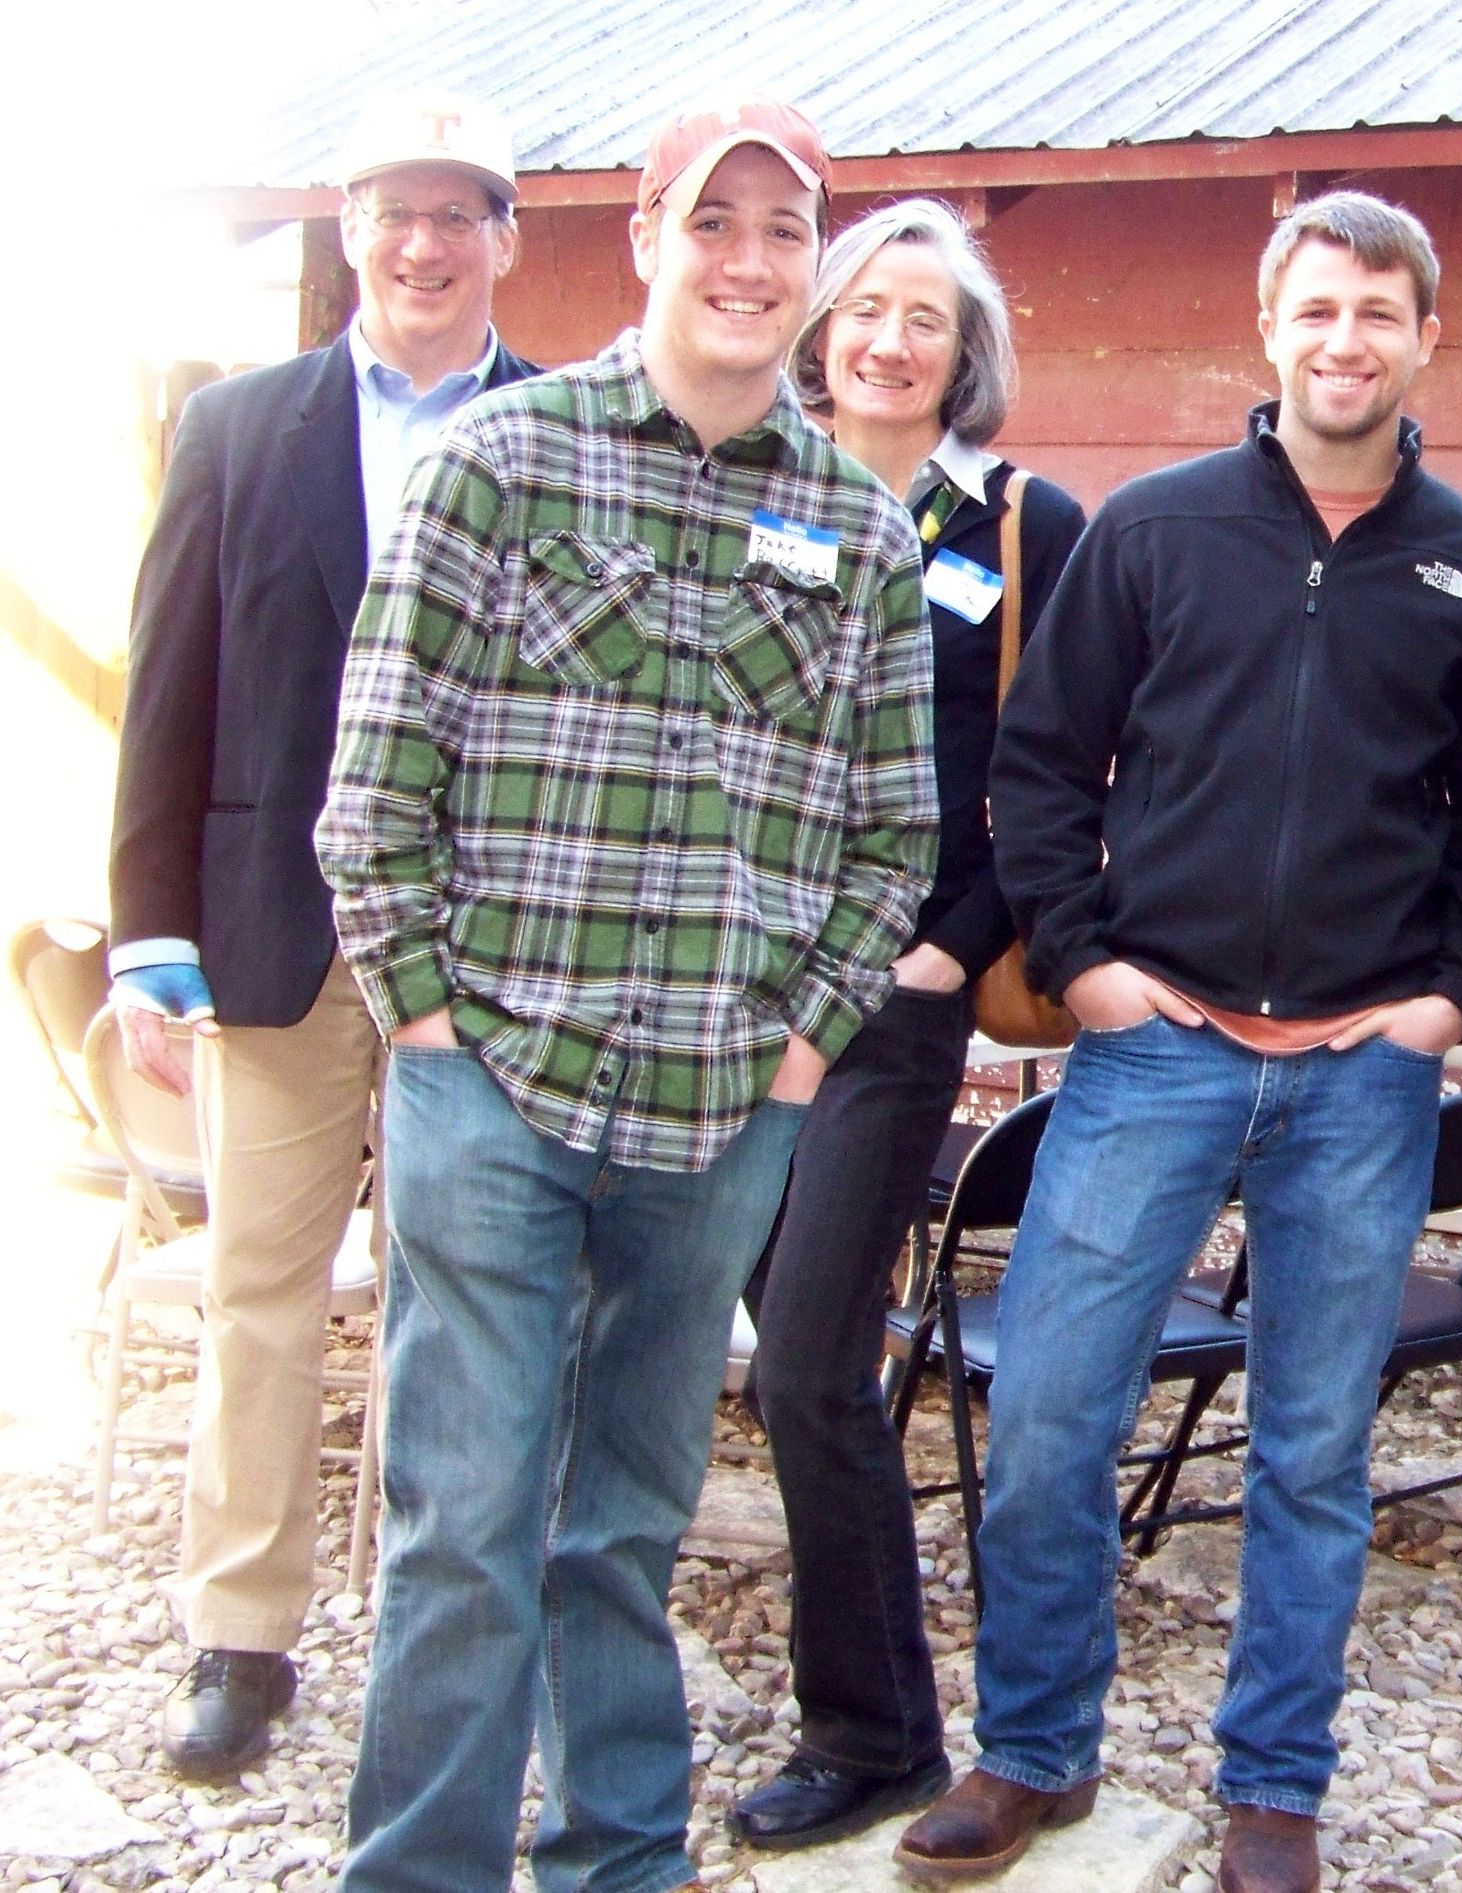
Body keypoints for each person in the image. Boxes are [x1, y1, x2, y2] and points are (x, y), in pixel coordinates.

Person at [316, 97, 938, 1893]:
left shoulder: (859, 526)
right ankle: (422, 1870)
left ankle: (616, 1857)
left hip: (722, 1109)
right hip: (490, 1085)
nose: (747, 262)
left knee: (627, 1521)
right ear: (644, 240)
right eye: (711, 223)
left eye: (782, 231)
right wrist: (425, 1022)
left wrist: (801, 1051)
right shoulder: (499, 461)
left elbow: (892, 835)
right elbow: (376, 782)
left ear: (811, 267)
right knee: (463, 1522)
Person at [894, 191, 1462, 1893]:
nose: (1345, 340)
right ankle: (1033, 1750)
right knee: (1047, 1413)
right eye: (1316, 308)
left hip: (1363, 1071)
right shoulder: (1157, 531)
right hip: (1154, 1050)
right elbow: (1042, 765)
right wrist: (1086, 962)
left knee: (1313, 1448)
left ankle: (1274, 1786)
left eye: (1377, 312)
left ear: (1424, 337)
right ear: (1270, 327)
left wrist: (1449, 1001)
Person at [105, 91, 537, 1782]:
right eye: (391, 213)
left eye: (456, 214)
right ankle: (242, 1632)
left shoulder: (566, 429)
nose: (422, 244)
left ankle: (451, 1636)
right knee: (262, 1292)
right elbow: (169, 683)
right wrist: (150, 927)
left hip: (489, 960)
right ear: (349, 231)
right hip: (272, 934)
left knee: (474, 1300)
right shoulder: (237, 425)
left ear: (505, 239)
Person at [725, 197, 1085, 1854]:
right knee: (787, 1349)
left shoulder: (1019, 524)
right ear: (820, 328)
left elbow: (1061, 765)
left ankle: (871, 1735)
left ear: (964, 353)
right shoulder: (751, 487)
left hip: (889, 1001)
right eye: (863, 309)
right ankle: (869, 1695)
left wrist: (954, 950)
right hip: (726, 994)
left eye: (922, 319)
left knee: (808, 1361)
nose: (886, 340)